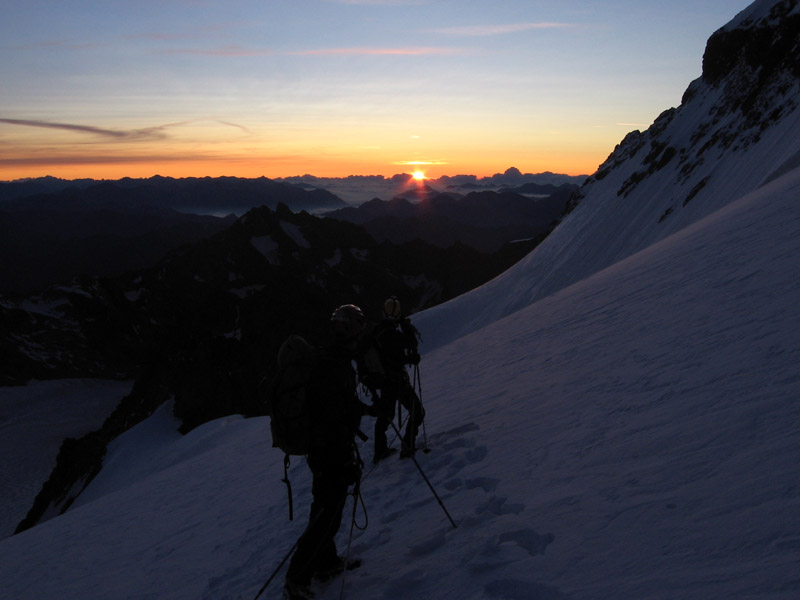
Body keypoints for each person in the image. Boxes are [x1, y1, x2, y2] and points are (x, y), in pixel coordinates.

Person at [283, 304, 370, 600]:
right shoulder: (335, 364)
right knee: (325, 514)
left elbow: (337, 406)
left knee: (327, 507)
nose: (360, 333)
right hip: (329, 450)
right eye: (357, 327)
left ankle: (326, 563)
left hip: (325, 450)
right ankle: (296, 580)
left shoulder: (332, 359)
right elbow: (330, 416)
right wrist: (342, 456)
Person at [358, 297, 424, 463]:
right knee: (417, 411)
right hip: (397, 381)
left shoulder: (376, 332)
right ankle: (407, 446)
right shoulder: (392, 334)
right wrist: (404, 325)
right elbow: (410, 343)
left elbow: (387, 359)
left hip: (384, 382)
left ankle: (380, 451)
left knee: (386, 415)